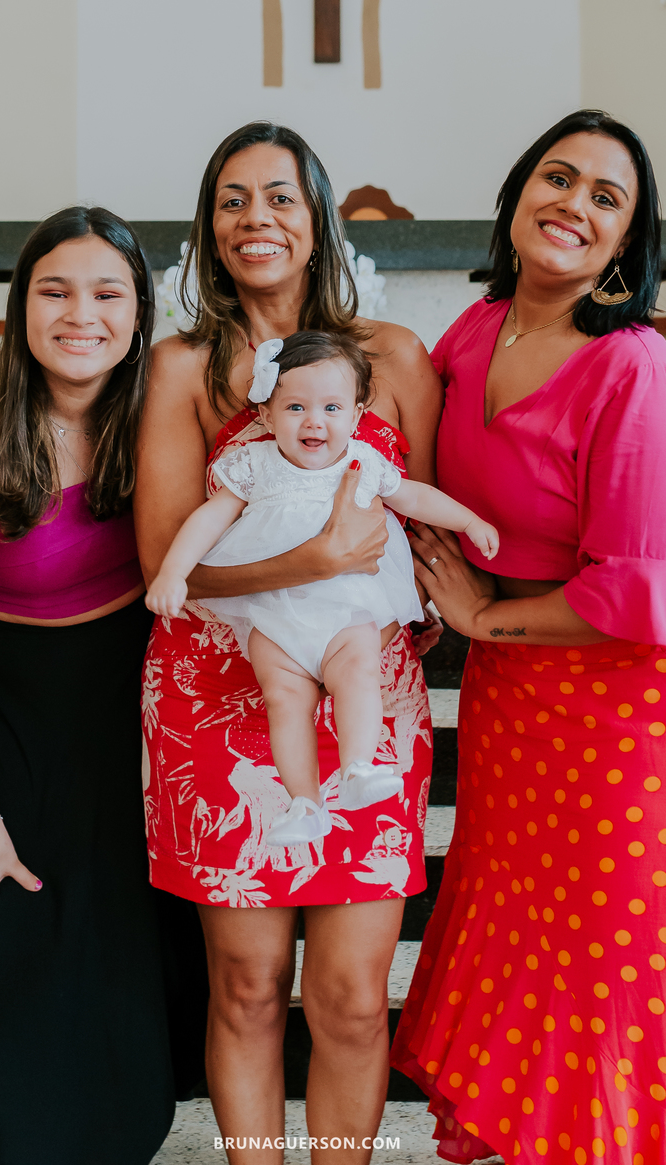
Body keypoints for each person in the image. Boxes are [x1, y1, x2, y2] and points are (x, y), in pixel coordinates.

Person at [390, 111, 666, 1165]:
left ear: (627, 242)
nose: (574, 205)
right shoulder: (475, 333)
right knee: (533, 950)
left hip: (629, 706)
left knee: (616, 969)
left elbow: (637, 591)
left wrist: (478, 617)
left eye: (606, 197)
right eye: (558, 177)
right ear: (517, 194)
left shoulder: (635, 370)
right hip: (517, 700)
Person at [135, 121, 443, 1162]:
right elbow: (168, 569)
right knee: (249, 983)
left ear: (318, 218)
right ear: (208, 227)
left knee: (352, 994)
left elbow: (429, 524)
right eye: (231, 200)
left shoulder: (394, 358)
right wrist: (309, 560)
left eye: (278, 197)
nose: (255, 218)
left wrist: (446, 602)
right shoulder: (182, 367)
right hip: (220, 696)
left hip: (365, 704)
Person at [0, 206, 206, 1165]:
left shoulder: (158, 407)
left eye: (107, 293)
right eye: (54, 291)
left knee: (117, 964)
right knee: (5, 941)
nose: (80, 315)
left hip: (125, 715)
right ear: (21, 305)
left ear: (140, 311)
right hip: (9, 725)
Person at [147, 331, 497, 846]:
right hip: (272, 614)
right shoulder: (255, 465)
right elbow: (207, 520)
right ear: (266, 415)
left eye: (331, 408)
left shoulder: (363, 461)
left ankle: (358, 766)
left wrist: (469, 522)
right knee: (284, 698)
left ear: (356, 416)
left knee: (358, 671)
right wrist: (172, 573)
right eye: (295, 407)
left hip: (347, 611)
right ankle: (303, 802)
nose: (314, 421)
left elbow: (417, 498)